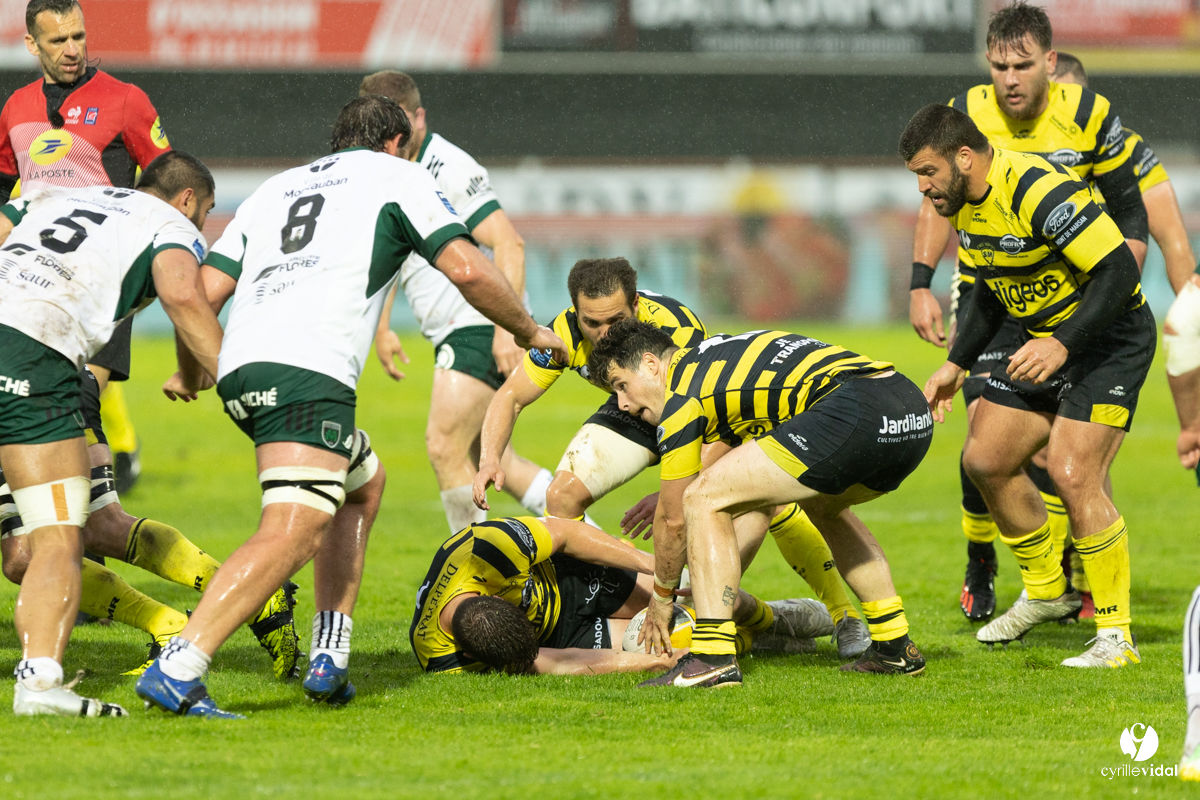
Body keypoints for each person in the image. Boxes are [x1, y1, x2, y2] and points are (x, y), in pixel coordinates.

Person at [135, 95, 567, 718]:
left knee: (363, 483)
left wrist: (193, 366)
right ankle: (181, 665)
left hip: (245, 370)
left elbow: (198, 291)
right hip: (308, 375)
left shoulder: (274, 189)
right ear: (395, 142)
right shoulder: (399, 175)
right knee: (293, 528)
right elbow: (469, 269)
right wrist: (528, 331)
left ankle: (329, 655)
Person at [473, 257, 871, 657]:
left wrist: (675, 492)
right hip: (632, 402)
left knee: (765, 499)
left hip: (695, 407)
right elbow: (510, 396)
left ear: (636, 304)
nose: (602, 334)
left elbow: (714, 430)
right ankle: (592, 606)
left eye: (614, 320)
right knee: (561, 498)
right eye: (591, 324)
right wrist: (490, 457)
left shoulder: (676, 329)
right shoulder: (564, 332)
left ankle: (843, 615)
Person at [906, 2, 1148, 623]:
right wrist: (950, 350)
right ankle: (1035, 587)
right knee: (984, 456)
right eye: (998, 66)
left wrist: (1077, 330)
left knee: (1071, 468)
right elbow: (985, 282)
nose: (1008, 78)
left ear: (1048, 61)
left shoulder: (1057, 158)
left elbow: (1124, 243)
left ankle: (1109, 624)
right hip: (1026, 312)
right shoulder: (966, 178)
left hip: (1097, 321)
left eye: (1021, 64)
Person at [587, 321, 933, 688]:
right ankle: (894, 644)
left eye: (622, 385)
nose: (623, 404)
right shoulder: (715, 359)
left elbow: (674, 520)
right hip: (908, 409)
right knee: (822, 506)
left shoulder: (682, 394)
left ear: (652, 364)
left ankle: (713, 657)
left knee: (704, 499)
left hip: (852, 407)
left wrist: (661, 598)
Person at [0, 149, 223, 716]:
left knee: (20, 549)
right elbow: (181, 295)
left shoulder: (59, 194)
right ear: (189, 200)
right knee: (56, 537)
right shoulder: (171, 224)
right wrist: (233, 378)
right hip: (34, 354)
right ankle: (40, 686)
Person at [361, 70, 558, 534]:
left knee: (443, 443)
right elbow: (397, 250)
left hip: (476, 322)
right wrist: (385, 325)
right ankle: (604, 549)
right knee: (492, 458)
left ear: (420, 118)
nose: (391, 136)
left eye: (399, 124)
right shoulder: (391, 169)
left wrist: (509, 331)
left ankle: (472, 579)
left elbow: (509, 243)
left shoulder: (447, 167)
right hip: (455, 325)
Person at [0, 0, 176, 493]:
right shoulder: (16, 108)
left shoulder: (125, 100)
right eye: (59, 41)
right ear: (32, 44)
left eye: (79, 36)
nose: (73, 49)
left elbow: (172, 182)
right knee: (48, 414)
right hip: (32, 286)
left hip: (105, 282)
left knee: (75, 400)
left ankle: (79, 527)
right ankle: (81, 534)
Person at [1052, 52, 1197, 610]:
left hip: (1101, 322)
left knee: (1082, 460)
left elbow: (1174, 243)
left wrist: (1192, 323)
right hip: (1030, 318)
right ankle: (1010, 563)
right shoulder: (1010, 146)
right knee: (1001, 453)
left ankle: (1087, 587)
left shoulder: (1124, 151)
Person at [410, 516, 830, 675]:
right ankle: (755, 641)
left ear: (497, 597)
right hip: (561, 635)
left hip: (570, 578)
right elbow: (552, 661)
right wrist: (655, 661)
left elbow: (569, 533)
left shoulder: (486, 548)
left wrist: (658, 569)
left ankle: (772, 619)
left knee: (698, 599)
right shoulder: (443, 660)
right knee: (671, 639)